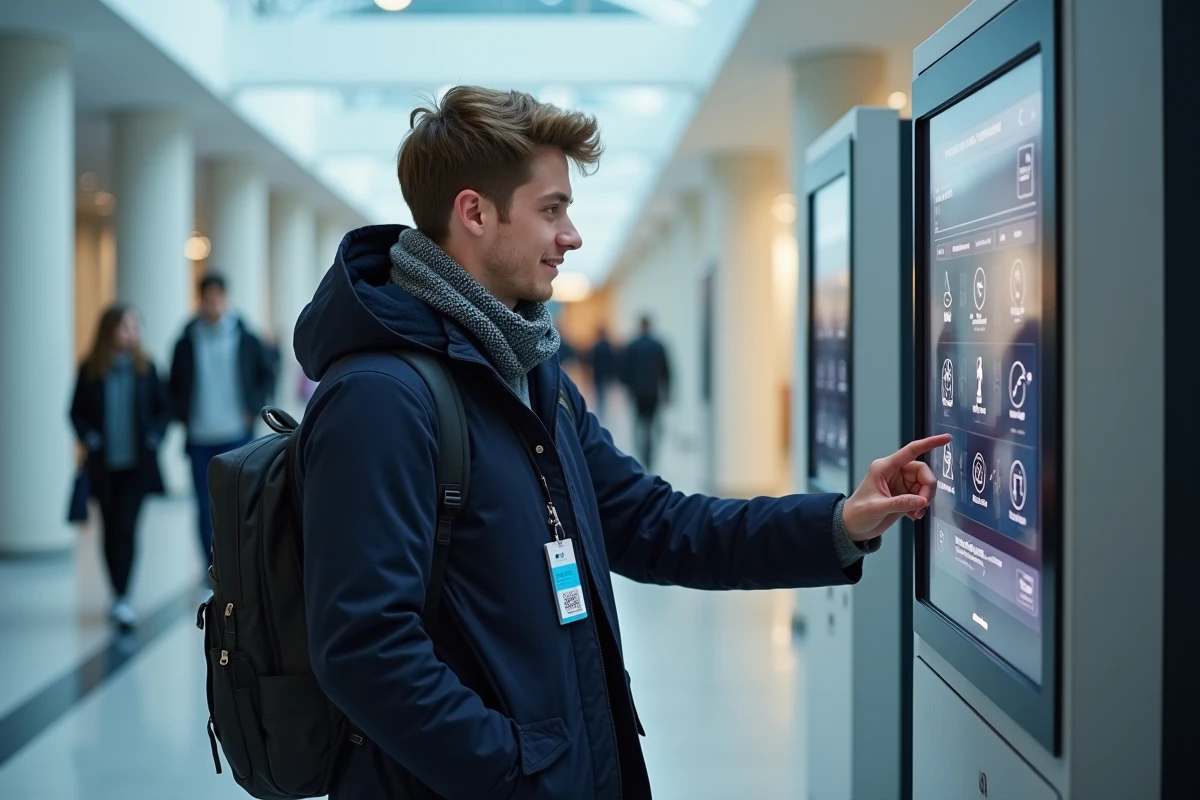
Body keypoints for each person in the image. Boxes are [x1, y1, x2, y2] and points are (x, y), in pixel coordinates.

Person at [292, 85, 948, 800]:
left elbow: (653, 522)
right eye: (552, 210)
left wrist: (837, 523)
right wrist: (516, 775)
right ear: (474, 212)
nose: (571, 235)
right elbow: (365, 650)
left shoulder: (531, 375)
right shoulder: (380, 400)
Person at [70, 305, 169, 631]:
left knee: (126, 527)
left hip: (136, 466)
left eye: (136, 326)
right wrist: (90, 437)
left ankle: (123, 596)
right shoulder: (91, 370)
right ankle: (116, 592)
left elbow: (162, 408)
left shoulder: (146, 368)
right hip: (104, 467)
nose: (132, 332)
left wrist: (155, 435)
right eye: (127, 326)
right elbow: (76, 412)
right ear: (110, 330)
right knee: (109, 529)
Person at [168, 273, 277, 570]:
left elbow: (267, 373)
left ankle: (237, 567)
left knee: (238, 504)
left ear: (225, 298)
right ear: (201, 299)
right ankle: (211, 567)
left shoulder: (245, 337)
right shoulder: (187, 340)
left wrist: (253, 408)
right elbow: (174, 383)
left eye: (218, 297)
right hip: (200, 436)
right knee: (204, 507)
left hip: (237, 434)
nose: (213, 303)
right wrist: (182, 416)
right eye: (207, 297)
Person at [620, 316, 671, 470]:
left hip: (638, 392)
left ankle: (642, 454)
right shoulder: (658, 346)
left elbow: (624, 371)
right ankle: (650, 454)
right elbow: (666, 371)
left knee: (639, 423)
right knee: (652, 423)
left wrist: (628, 388)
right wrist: (667, 391)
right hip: (653, 391)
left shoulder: (633, 346)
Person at [589, 326, 618, 420]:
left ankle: (601, 411)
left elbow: (592, 362)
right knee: (603, 393)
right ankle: (603, 412)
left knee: (600, 393)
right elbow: (612, 362)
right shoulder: (608, 347)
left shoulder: (596, 347)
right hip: (605, 374)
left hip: (598, 374)